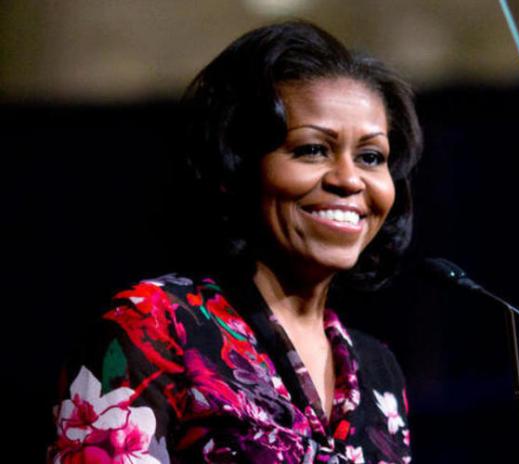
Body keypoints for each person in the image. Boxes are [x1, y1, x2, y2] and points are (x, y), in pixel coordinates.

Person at [47, 20, 422, 464]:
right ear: (235, 165)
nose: (349, 179)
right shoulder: (156, 326)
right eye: (312, 150)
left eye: (371, 157)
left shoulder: (378, 370)